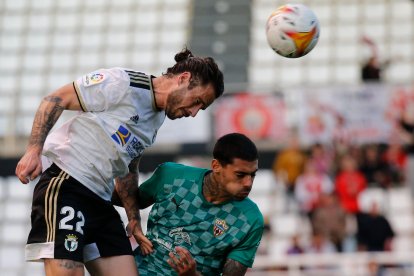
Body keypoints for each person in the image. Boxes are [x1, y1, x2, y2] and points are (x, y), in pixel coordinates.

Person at [15, 47, 224, 276]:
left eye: (200, 108)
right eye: (197, 101)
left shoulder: (157, 118)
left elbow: (128, 167)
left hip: (100, 200)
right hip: (67, 184)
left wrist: (133, 217)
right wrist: (33, 150)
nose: (194, 112)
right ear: (184, 79)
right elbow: (56, 99)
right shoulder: (121, 83)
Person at [132, 133, 264, 275]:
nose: (248, 183)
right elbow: (127, 199)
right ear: (216, 166)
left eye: (253, 175)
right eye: (240, 175)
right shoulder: (171, 176)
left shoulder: (250, 219)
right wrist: (134, 219)